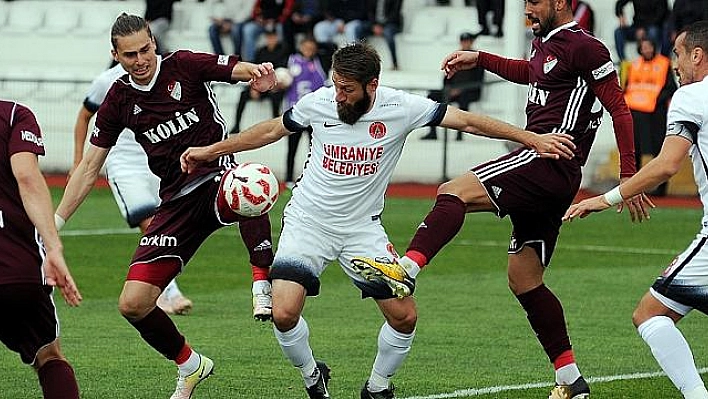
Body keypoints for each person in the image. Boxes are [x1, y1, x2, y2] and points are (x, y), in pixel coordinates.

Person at [180, 42, 576, 399]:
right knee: (284, 312)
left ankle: (378, 387)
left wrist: (533, 139)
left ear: (372, 85)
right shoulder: (318, 102)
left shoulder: (402, 107)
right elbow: (270, 130)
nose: (338, 95)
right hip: (308, 222)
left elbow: (470, 121)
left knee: (405, 317)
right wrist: (211, 151)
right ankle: (311, 376)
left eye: (347, 89)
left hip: (361, 230)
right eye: (336, 85)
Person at [349, 0, 652, 398]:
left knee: (453, 192)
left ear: (561, 3)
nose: (528, 10)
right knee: (525, 279)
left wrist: (629, 174)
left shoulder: (586, 46)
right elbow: (530, 73)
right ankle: (570, 379)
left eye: (535, 3)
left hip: (547, 158)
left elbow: (619, 106)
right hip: (554, 174)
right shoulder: (544, 41)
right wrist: (480, 59)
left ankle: (405, 270)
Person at [54, 13, 277, 399]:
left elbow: (237, 69)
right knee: (133, 304)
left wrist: (258, 72)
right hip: (175, 201)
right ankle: (191, 365)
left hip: (217, 177)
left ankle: (262, 279)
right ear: (115, 55)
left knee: (253, 180)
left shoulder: (185, 65)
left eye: (144, 49)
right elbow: (90, 167)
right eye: (129, 55)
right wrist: (53, 224)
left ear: (153, 43)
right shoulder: (119, 98)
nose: (140, 60)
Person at [564, 21, 708, 399]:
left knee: (649, 314)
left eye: (677, 54)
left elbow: (665, 165)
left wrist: (604, 198)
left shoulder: (692, 96)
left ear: (697, 55)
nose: (674, 64)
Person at [72, 62, 194, 316]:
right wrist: (78, 161)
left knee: (168, 225)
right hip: (123, 163)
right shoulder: (106, 81)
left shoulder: (162, 73)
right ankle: (168, 292)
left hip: (156, 159)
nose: (139, 58)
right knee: (149, 224)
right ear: (116, 53)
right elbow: (84, 116)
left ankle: (157, 287)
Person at [0, 100, 82, 399]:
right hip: (15, 269)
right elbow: (27, 178)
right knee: (48, 356)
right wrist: (54, 249)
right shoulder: (13, 115)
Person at [623, 37, 677, 196]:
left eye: (649, 47)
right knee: (635, 150)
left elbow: (671, 88)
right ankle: (634, 187)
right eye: (644, 47)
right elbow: (628, 87)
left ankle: (661, 189)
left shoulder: (664, 63)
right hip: (635, 114)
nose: (647, 50)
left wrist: (656, 100)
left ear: (654, 47)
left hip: (655, 116)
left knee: (658, 150)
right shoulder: (634, 65)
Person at [421, 31, 484, 141]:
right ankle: (432, 132)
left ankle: (460, 134)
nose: (465, 44)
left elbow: (478, 80)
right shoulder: (455, 57)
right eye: (463, 41)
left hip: (469, 91)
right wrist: (449, 90)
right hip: (453, 90)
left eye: (467, 41)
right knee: (433, 95)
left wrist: (460, 90)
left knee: (464, 99)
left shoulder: (476, 58)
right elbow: (446, 77)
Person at [283, 35, 327, 187]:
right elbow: (282, 84)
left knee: (315, 149)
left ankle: (313, 177)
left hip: (314, 115)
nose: (309, 51)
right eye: (306, 48)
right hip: (295, 113)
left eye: (312, 48)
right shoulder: (291, 61)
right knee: (292, 147)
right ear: (301, 47)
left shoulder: (319, 62)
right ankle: (289, 177)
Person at [232, 27, 290, 134]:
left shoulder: (283, 50)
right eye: (268, 37)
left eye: (272, 36)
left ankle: (277, 125)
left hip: (276, 85)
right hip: (262, 85)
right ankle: (236, 124)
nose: (270, 39)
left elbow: (283, 71)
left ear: (276, 37)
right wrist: (254, 88)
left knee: (276, 96)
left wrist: (275, 84)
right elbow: (254, 70)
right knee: (243, 94)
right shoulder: (261, 51)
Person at [368, 0, 402, 71]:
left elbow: (395, 13)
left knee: (388, 33)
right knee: (359, 29)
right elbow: (369, 12)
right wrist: (374, 25)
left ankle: (395, 63)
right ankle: (361, 61)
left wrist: (381, 26)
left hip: (391, 24)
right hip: (375, 25)